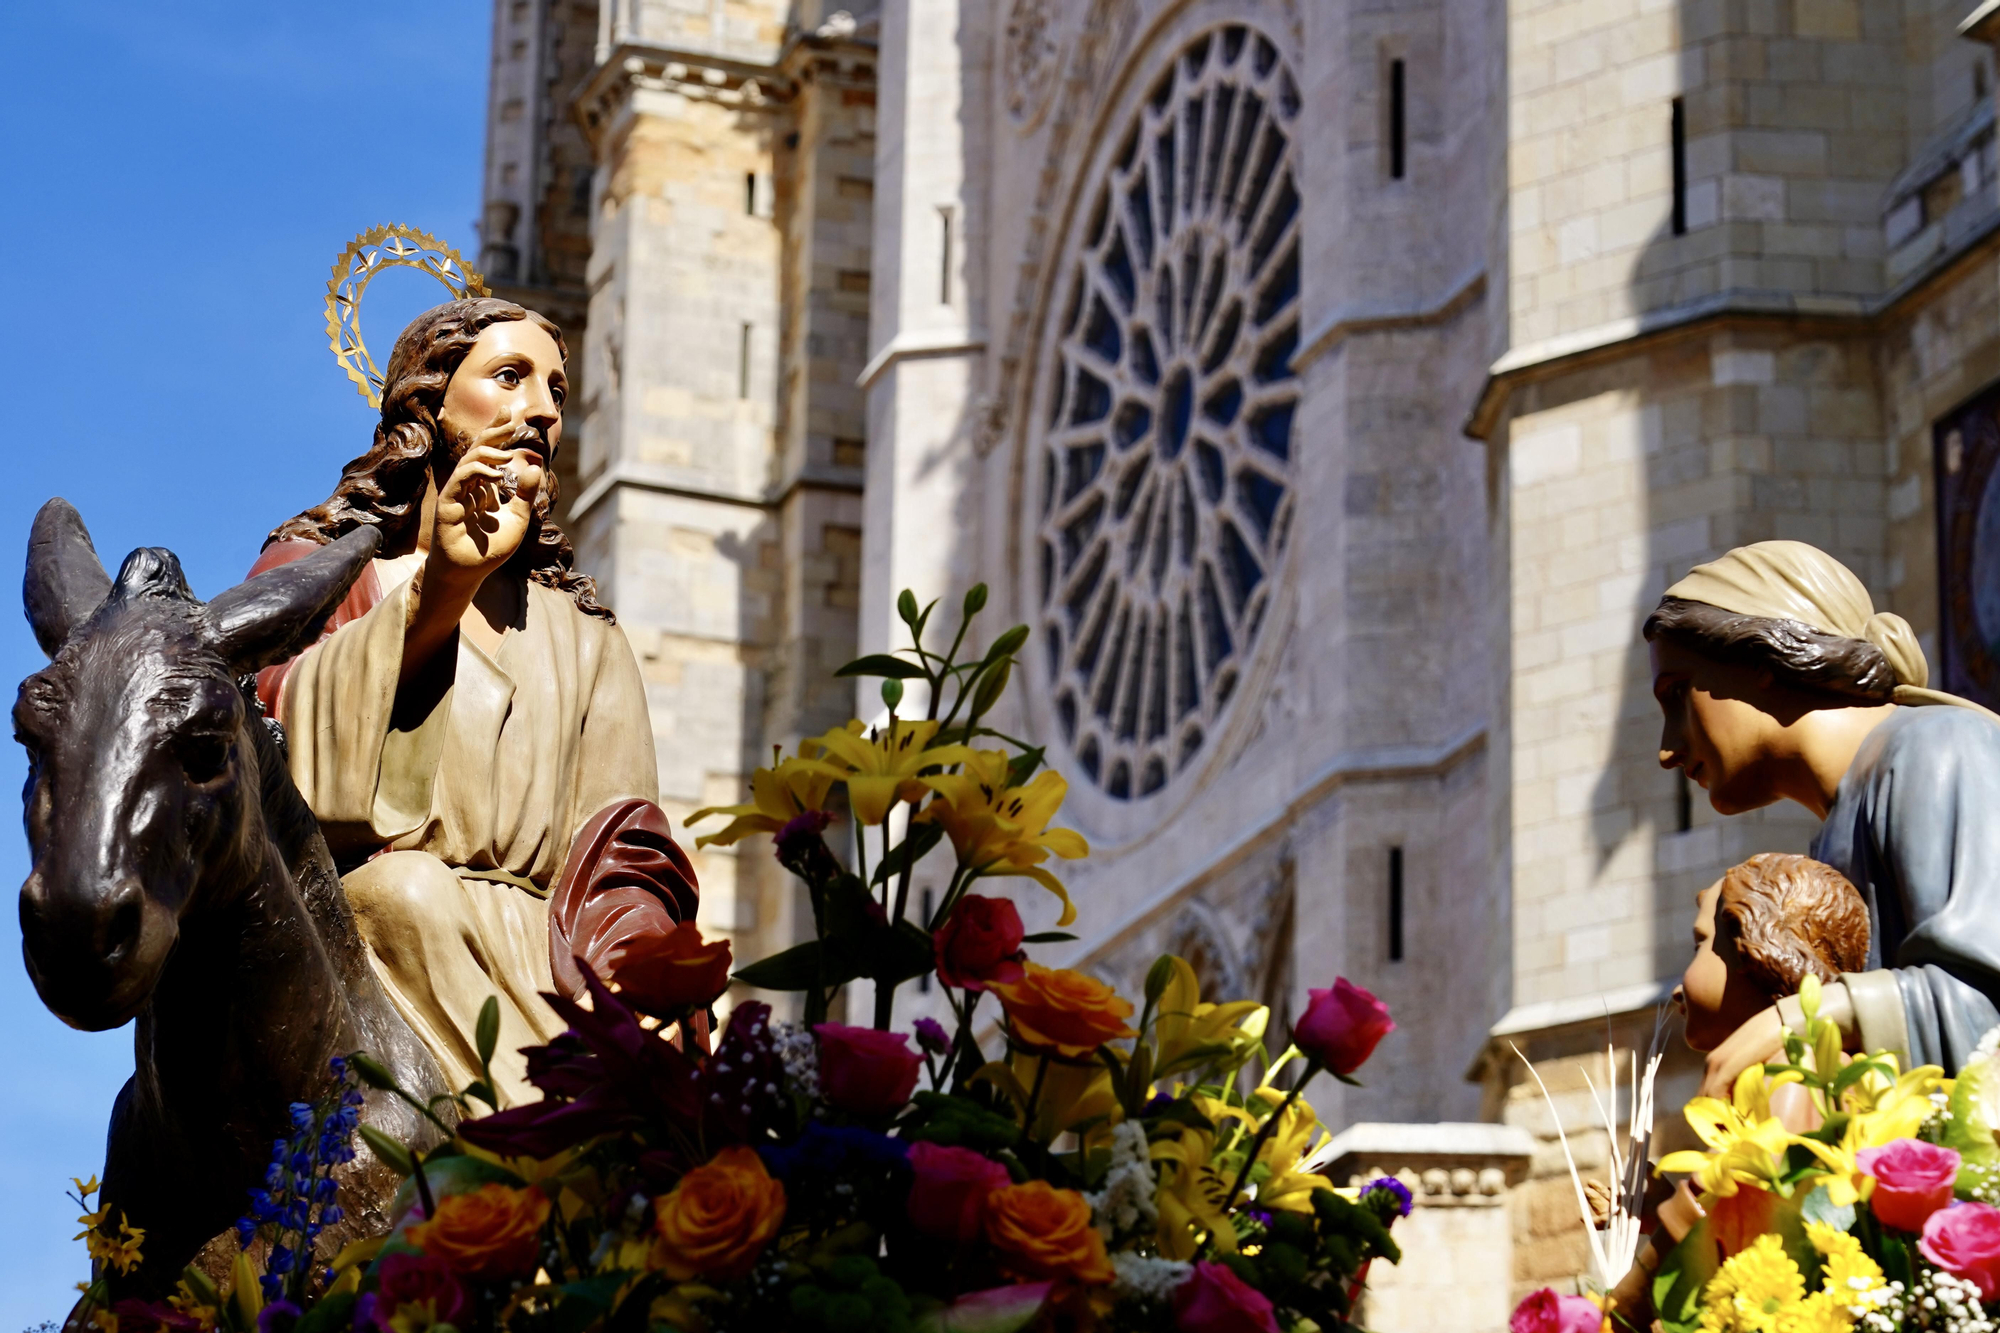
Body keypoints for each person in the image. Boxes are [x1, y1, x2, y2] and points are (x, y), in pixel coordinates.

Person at [253, 297, 699, 1104]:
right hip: (365, 948)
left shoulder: (587, 639)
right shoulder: (321, 571)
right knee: (401, 895)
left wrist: (643, 972)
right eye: (510, 376)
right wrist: (440, 593)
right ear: (428, 401)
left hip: (546, 968)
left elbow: (623, 850)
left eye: (556, 391)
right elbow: (266, 750)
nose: (543, 409)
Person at [1646, 540, 2000, 1094]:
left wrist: (1802, 1019)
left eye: (1677, 693)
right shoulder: (1835, 838)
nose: (1667, 749)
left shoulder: (1938, 747)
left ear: (1760, 660)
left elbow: (1985, 1007)